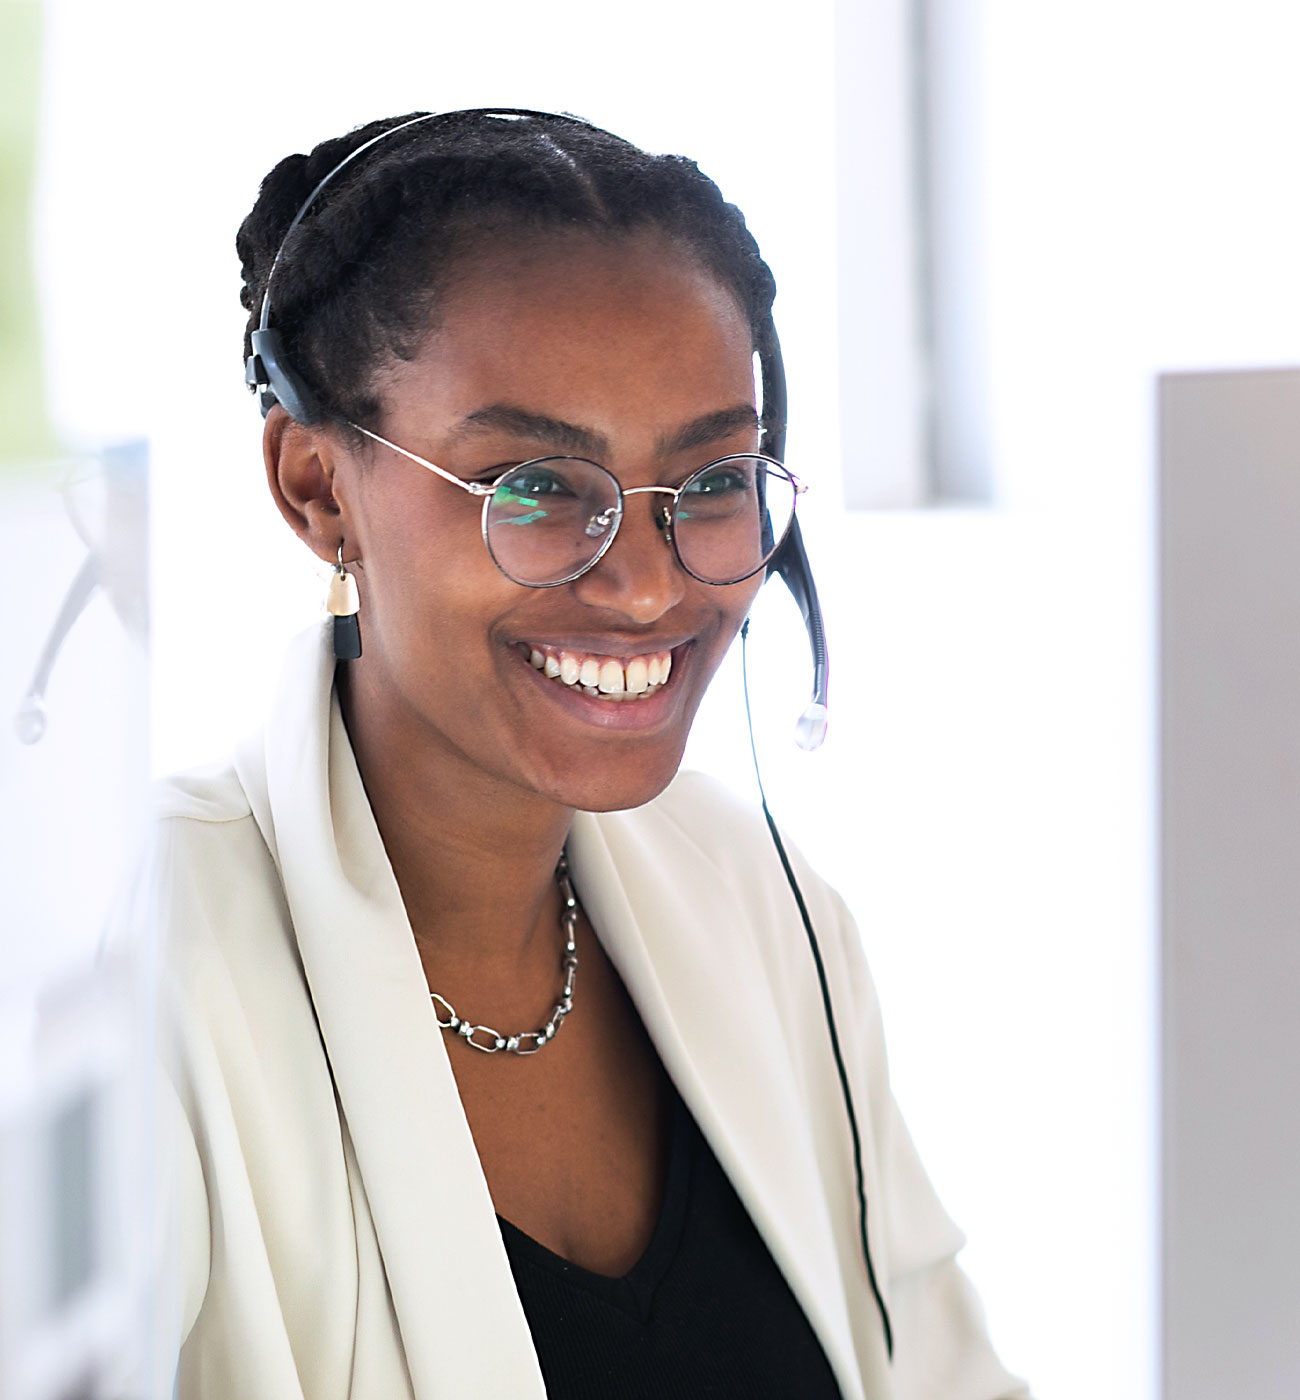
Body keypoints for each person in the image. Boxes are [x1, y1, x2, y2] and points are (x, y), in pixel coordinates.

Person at [139, 108, 1031, 1399]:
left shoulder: (762, 908)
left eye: (712, 481)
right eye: (536, 487)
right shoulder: (140, 970)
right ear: (317, 489)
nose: (644, 587)